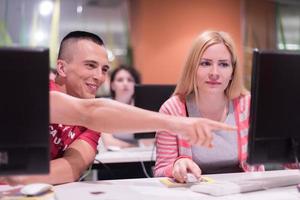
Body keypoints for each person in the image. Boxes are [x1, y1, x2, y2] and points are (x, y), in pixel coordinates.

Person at [0, 31, 236, 186]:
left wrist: (13, 178)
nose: (99, 77)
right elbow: (88, 111)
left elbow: (73, 167)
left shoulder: (93, 124)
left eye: (104, 69)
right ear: (61, 68)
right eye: (90, 66)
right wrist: (175, 122)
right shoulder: (38, 90)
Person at [154, 31, 265, 183]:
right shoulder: (172, 110)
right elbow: (160, 171)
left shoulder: (248, 105)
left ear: (233, 72)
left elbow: (283, 155)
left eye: (223, 64)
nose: (214, 73)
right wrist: (176, 166)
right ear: (193, 68)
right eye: (205, 63)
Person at [101, 65, 141, 148]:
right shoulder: (104, 107)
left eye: (130, 80)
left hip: (141, 155)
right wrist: (134, 146)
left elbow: (149, 141)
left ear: (136, 85)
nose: (125, 83)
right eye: (120, 80)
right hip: (113, 155)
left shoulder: (142, 108)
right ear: (112, 85)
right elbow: (109, 142)